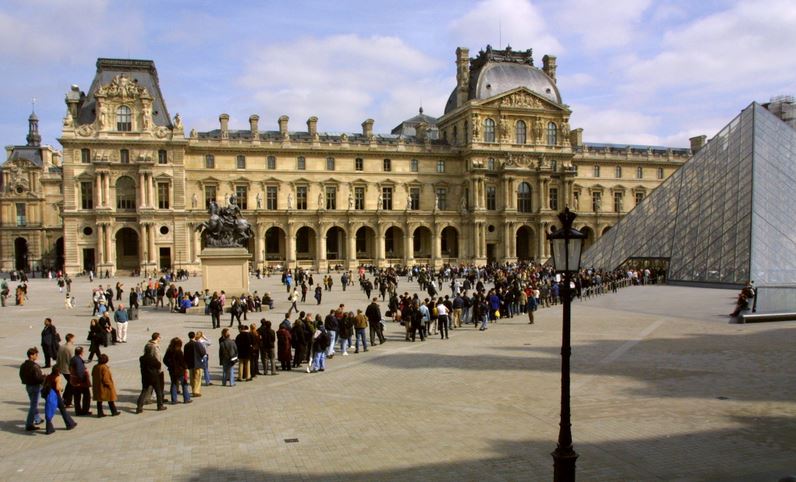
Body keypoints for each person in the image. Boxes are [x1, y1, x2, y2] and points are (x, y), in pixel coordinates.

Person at [135, 333, 167, 413]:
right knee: (158, 391)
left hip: (145, 376)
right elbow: (158, 364)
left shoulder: (142, 358)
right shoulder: (152, 359)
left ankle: (139, 407)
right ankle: (160, 405)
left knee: (144, 391)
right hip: (154, 376)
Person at [42, 367, 76, 434]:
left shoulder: (48, 376)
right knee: (63, 409)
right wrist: (62, 389)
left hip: (49, 395)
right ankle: (69, 423)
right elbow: (57, 387)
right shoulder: (57, 377)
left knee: (49, 410)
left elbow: (44, 385)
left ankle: (49, 428)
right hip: (56, 395)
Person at [19, 347, 45, 431]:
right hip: (35, 387)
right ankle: (29, 424)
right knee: (33, 406)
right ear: (31, 355)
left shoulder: (23, 365)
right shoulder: (34, 366)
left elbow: (21, 375)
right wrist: (44, 377)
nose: (37, 356)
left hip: (28, 386)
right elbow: (39, 378)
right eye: (36, 355)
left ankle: (37, 418)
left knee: (33, 403)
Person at [163, 338, 192, 404]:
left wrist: (170, 365)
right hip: (180, 370)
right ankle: (186, 399)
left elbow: (164, 360)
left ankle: (174, 400)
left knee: (174, 384)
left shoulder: (169, 350)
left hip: (172, 370)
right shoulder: (178, 351)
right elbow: (182, 361)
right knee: (184, 384)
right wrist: (185, 367)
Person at [69, 346, 92, 416]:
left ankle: (78, 411)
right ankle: (85, 410)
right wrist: (83, 380)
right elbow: (79, 372)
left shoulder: (73, 359)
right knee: (87, 396)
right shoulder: (78, 360)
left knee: (77, 397)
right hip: (80, 382)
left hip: (74, 381)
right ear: (81, 352)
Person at [55, 333, 75, 408]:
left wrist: (58, 366)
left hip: (62, 368)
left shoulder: (61, 346)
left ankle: (64, 398)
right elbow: (71, 360)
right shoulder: (70, 348)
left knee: (69, 384)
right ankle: (67, 401)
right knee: (71, 385)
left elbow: (58, 357)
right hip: (68, 370)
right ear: (71, 339)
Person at [184, 332, 206, 397]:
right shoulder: (198, 344)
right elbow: (203, 352)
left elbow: (185, 355)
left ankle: (193, 389)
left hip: (190, 364)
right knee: (198, 378)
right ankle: (196, 391)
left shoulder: (186, 345)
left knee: (192, 377)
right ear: (194, 336)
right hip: (198, 363)